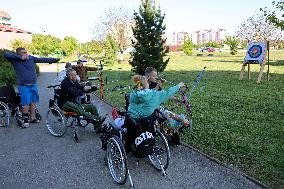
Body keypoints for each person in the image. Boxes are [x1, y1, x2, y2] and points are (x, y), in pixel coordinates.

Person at [4, 47, 60, 128]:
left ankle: (32, 118)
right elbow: (6, 54)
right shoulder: (15, 60)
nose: (26, 54)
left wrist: (53, 60)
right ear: (18, 54)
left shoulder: (31, 58)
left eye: (26, 52)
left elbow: (42, 60)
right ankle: (25, 119)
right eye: (23, 53)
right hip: (24, 86)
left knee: (33, 102)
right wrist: (21, 58)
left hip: (33, 85)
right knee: (26, 103)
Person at [145, 67, 190, 144]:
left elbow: (166, 94)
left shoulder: (154, 83)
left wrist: (179, 100)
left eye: (157, 76)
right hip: (148, 110)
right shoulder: (143, 85)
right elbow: (150, 95)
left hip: (158, 108)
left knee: (173, 116)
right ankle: (171, 134)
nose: (156, 78)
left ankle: (182, 123)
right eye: (154, 76)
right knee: (162, 124)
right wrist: (159, 85)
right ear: (147, 76)